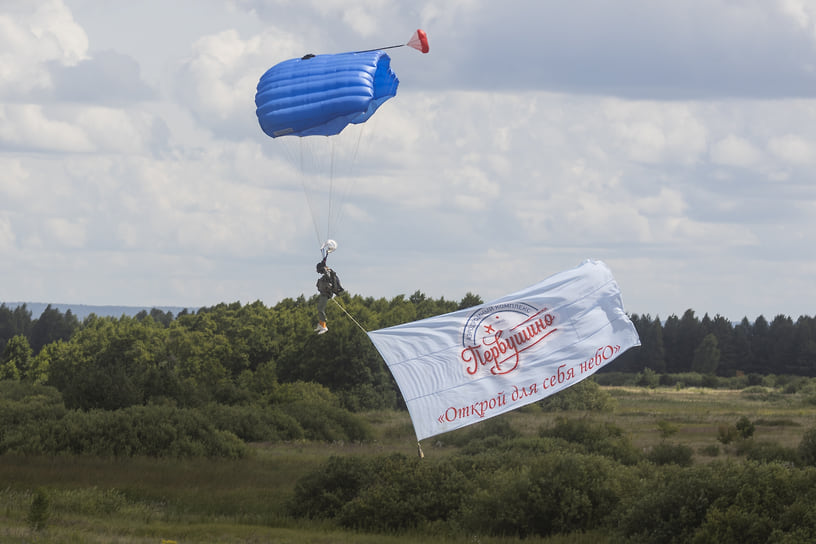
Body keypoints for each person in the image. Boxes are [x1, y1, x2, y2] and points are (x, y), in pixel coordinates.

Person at [314, 258, 343, 334]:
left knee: (320, 309)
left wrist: (324, 267)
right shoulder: (326, 274)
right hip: (323, 293)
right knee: (319, 308)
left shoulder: (328, 273)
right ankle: (321, 324)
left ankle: (324, 326)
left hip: (326, 294)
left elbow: (327, 274)